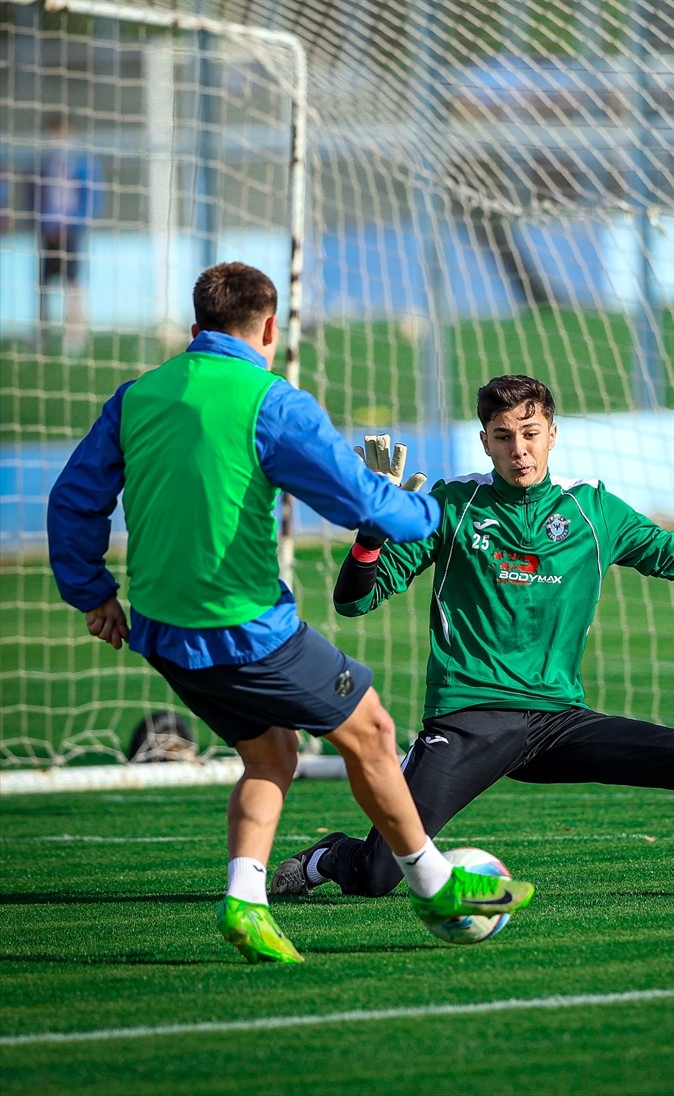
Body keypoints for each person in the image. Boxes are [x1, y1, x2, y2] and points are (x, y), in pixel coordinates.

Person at [46, 265, 534, 965]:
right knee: (372, 730)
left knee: (269, 754)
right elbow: (360, 503)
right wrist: (431, 511)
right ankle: (437, 887)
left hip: (159, 631)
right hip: (245, 629)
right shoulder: (273, 403)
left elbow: (72, 501)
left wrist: (91, 591)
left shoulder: (136, 397)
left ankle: (245, 901)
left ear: (195, 330)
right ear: (270, 328)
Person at [271, 373, 674, 903]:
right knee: (382, 875)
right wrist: (373, 527)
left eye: (530, 433)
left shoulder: (594, 512)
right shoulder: (450, 507)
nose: (519, 450)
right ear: (484, 443)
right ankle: (333, 856)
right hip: (469, 723)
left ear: (552, 434)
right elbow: (353, 603)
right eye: (503, 437)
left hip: (556, 723)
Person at [34, 113, 104, 354]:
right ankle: (41, 335)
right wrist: (42, 224)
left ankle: (75, 335)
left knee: (72, 284)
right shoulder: (43, 164)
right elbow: (32, 195)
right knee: (43, 284)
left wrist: (77, 224)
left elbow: (92, 196)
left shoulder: (83, 163)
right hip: (48, 231)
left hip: (71, 232)